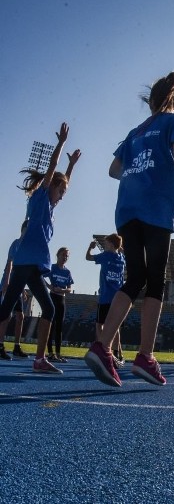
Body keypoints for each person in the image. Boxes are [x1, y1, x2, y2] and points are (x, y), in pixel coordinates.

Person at [85, 72, 174, 387]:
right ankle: (145, 357)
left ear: (151, 102)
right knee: (154, 282)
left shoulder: (135, 132)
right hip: (155, 206)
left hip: (126, 210)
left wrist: (136, 175)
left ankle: (102, 345)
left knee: (134, 277)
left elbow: (113, 170)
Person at [0, 122, 80, 374]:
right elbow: (52, 171)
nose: (63, 194)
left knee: (48, 308)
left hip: (35, 266)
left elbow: (61, 179)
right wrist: (61, 144)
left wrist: (72, 167)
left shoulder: (50, 209)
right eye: (61, 190)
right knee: (7, 309)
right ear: (51, 186)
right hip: (25, 262)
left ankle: (39, 359)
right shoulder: (39, 198)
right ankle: (37, 357)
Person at [86, 235, 126, 365]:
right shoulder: (121, 258)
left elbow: (88, 257)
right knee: (116, 327)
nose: (105, 245)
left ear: (111, 244)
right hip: (118, 297)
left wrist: (90, 248)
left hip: (106, 297)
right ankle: (116, 354)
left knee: (99, 324)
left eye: (106, 242)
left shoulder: (106, 256)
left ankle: (103, 349)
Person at [1, 220, 30, 360]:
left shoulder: (27, 247)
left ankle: (17, 346)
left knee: (20, 316)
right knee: (7, 315)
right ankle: (0, 345)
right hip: (10, 284)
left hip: (18, 286)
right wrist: (6, 281)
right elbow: (10, 262)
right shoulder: (16, 244)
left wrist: (23, 289)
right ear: (23, 230)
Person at [45, 247, 73, 363]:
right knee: (50, 326)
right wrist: (50, 287)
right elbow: (41, 277)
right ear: (58, 255)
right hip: (52, 298)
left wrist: (62, 290)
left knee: (59, 327)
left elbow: (70, 288)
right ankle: (50, 353)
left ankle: (58, 353)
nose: (64, 258)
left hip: (61, 299)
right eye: (63, 255)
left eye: (67, 256)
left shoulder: (67, 272)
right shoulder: (52, 267)